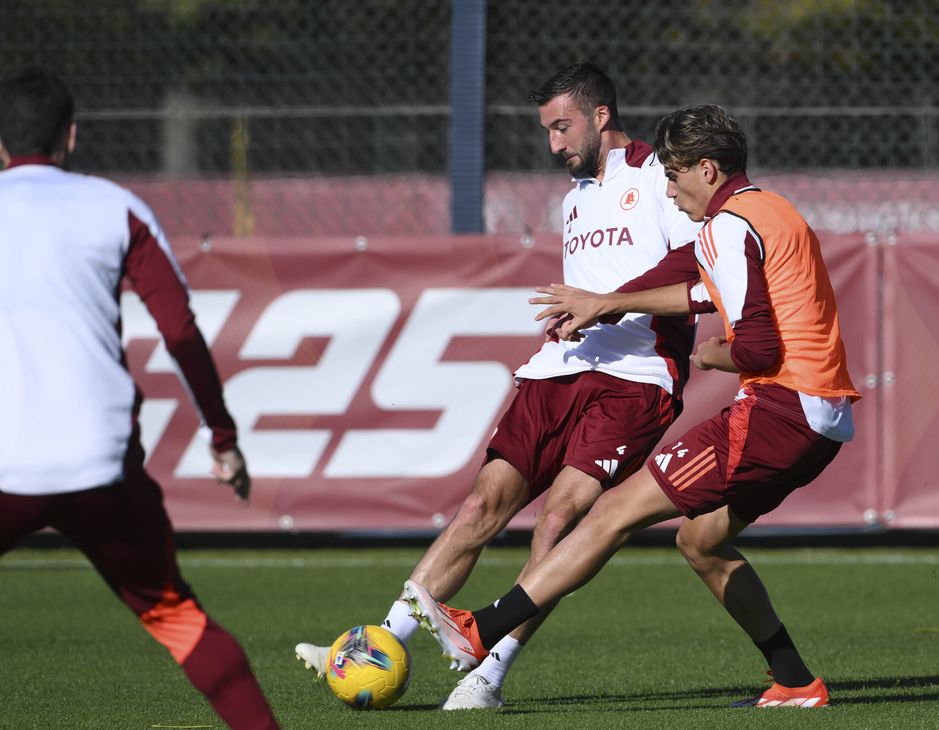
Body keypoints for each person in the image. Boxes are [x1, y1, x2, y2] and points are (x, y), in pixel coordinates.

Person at [403, 104, 860, 709]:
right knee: (701, 542)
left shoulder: (724, 226)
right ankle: (796, 682)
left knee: (612, 511)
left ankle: (481, 630)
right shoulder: (773, 209)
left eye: (675, 177)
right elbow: (703, 290)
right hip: (821, 417)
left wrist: (713, 357)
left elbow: (757, 345)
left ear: (708, 169)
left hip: (781, 409)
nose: (669, 193)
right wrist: (614, 303)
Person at [294, 61, 702, 710]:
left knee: (560, 516)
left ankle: (489, 674)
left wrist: (609, 301)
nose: (554, 145)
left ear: (601, 117)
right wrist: (581, 310)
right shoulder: (575, 200)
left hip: (636, 378)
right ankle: (377, 643)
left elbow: (698, 278)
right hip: (558, 370)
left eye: (562, 127)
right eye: (546, 131)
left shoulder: (661, 178)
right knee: (482, 506)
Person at [0, 67, 278, 730]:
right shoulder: (114, 207)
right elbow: (179, 331)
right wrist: (224, 439)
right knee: (178, 619)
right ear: (70, 135)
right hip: (101, 464)